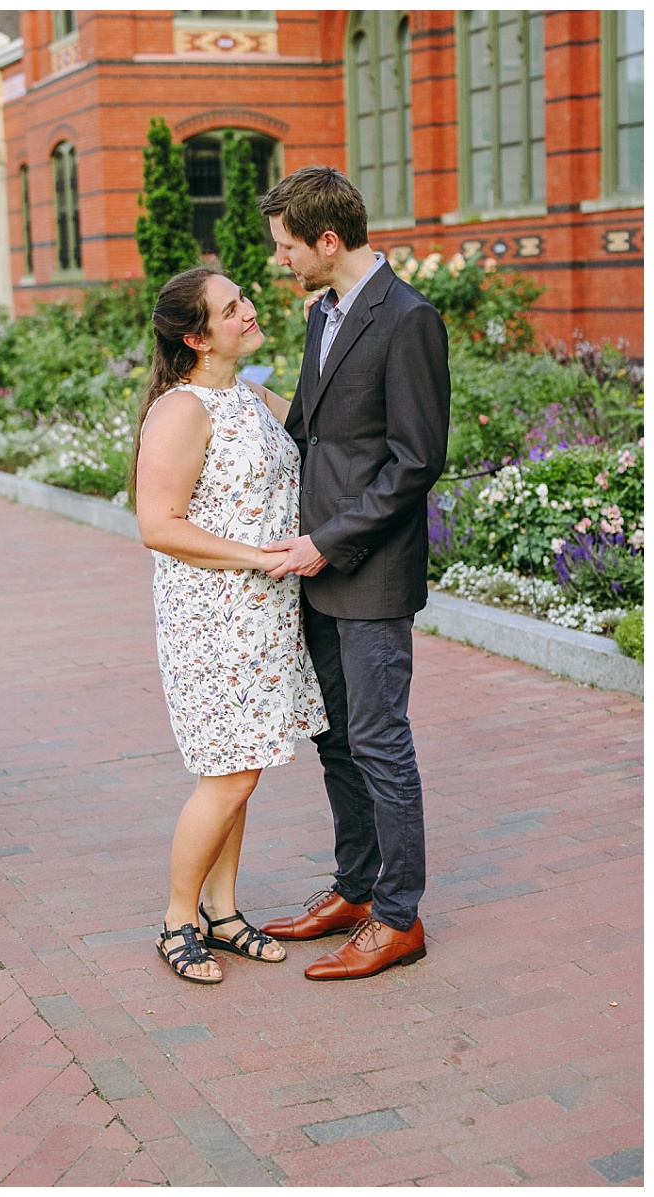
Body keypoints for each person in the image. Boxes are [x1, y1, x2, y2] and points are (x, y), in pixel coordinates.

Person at [256, 165, 450, 981]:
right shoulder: (321, 314)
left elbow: (414, 463)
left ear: (327, 241)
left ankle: (399, 917)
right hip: (316, 561)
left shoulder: (409, 319)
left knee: (378, 740)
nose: (281, 261)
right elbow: (310, 428)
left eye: (288, 247)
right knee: (336, 738)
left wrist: (329, 541)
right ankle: (357, 886)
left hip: (364, 567)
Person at [134, 266, 329, 985]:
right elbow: (158, 524)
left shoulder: (247, 396)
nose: (249, 310)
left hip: (264, 617)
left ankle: (221, 908)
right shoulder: (182, 410)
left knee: (237, 772)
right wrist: (255, 555)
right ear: (195, 336)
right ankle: (177, 919)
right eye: (231, 307)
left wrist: (331, 323)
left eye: (244, 298)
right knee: (229, 774)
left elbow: (321, 414)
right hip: (211, 618)